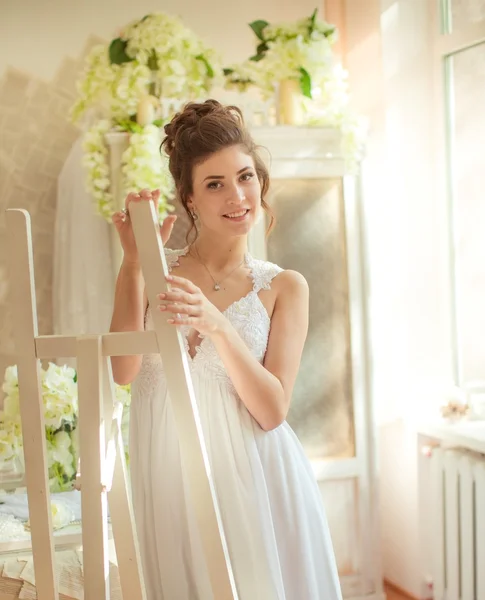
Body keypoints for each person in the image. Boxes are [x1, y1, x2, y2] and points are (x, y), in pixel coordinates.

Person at [109, 99, 342, 600]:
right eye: (214, 184)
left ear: (260, 181)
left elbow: (273, 410)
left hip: (256, 480)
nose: (237, 196)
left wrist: (218, 326)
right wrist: (132, 263)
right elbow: (123, 371)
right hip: (170, 479)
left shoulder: (284, 287)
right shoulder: (155, 269)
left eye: (245, 177)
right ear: (189, 199)